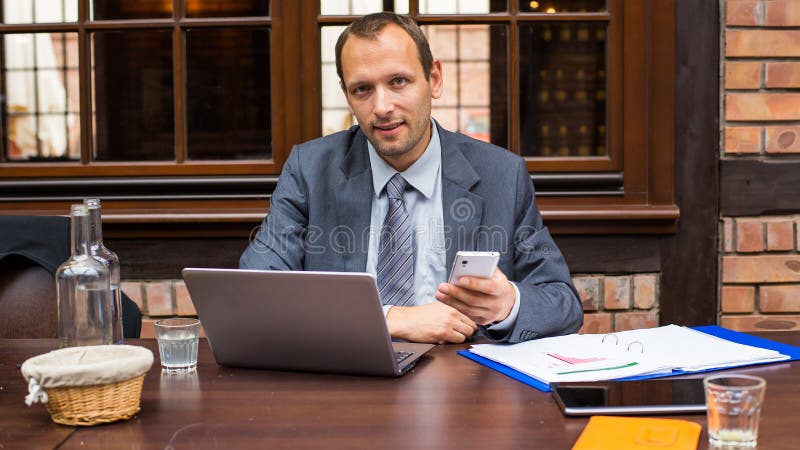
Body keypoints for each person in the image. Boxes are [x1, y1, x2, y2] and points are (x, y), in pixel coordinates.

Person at [240, 12, 582, 344]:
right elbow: (254, 295)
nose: (382, 106)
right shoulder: (310, 170)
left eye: (398, 82)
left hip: (464, 391)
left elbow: (562, 304)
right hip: (344, 386)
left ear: (434, 79)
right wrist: (391, 318)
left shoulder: (501, 175)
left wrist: (508, 304)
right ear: (347, 95)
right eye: (363, 89)